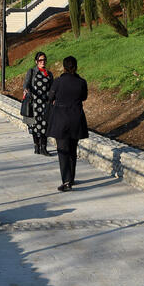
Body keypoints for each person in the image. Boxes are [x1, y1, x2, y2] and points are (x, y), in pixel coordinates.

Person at [47, 55, 88, 191]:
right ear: (76, 67)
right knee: (72, 149)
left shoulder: (58, 82)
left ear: (63, 67)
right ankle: (72, 178)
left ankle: (66, 181)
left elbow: (50, 97)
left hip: (61, 119)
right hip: (76, 119)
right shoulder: (81, 82)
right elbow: (84, 97)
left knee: (63, 150)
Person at [22, 50, 54, 156]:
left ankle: (44, 148)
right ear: (36, 61)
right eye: (40, 60)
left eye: (44, 60)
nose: (43, 62)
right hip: (34, 103)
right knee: (34, 125)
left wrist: (52, 98)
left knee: (45, 125)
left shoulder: (49, 74)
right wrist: (28, 91)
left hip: (45, 103)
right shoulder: (32, 71)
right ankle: (36, 146)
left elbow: (52, 88)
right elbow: (26, 84)